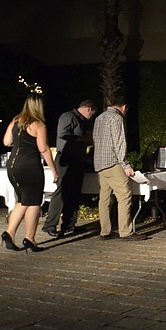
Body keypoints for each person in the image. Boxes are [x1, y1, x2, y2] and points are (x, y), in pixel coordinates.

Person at [1, 94, 59, 252]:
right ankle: (30, 238)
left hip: (13, 165)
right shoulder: (38, 124)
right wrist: (54, 170)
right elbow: (44, 149)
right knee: (33, 201)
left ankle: (9, 232)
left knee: (23, 200)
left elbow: (6, 142)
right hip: (30, 166)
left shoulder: (16, 120)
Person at [93, 96, 146, 241]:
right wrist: (126, 165)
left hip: (99, 163)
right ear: (124, 107)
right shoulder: (116, 119)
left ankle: (105, 231)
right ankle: (125, 231)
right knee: (124, 196)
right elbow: (120, 143)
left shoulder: (99, 118)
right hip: (113, 163)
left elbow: (95, 139)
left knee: (104, 198)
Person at [42, 100, 96, 237]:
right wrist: (85, 138)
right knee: (62, 190)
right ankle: (50, 224)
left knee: (74, 192)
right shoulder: (68, 117)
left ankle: (69, 224)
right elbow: (63, 134)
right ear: (89, 109)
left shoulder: (81, 120)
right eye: (93, 113)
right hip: (65, 159)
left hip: (77, 159)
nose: (92, 116)